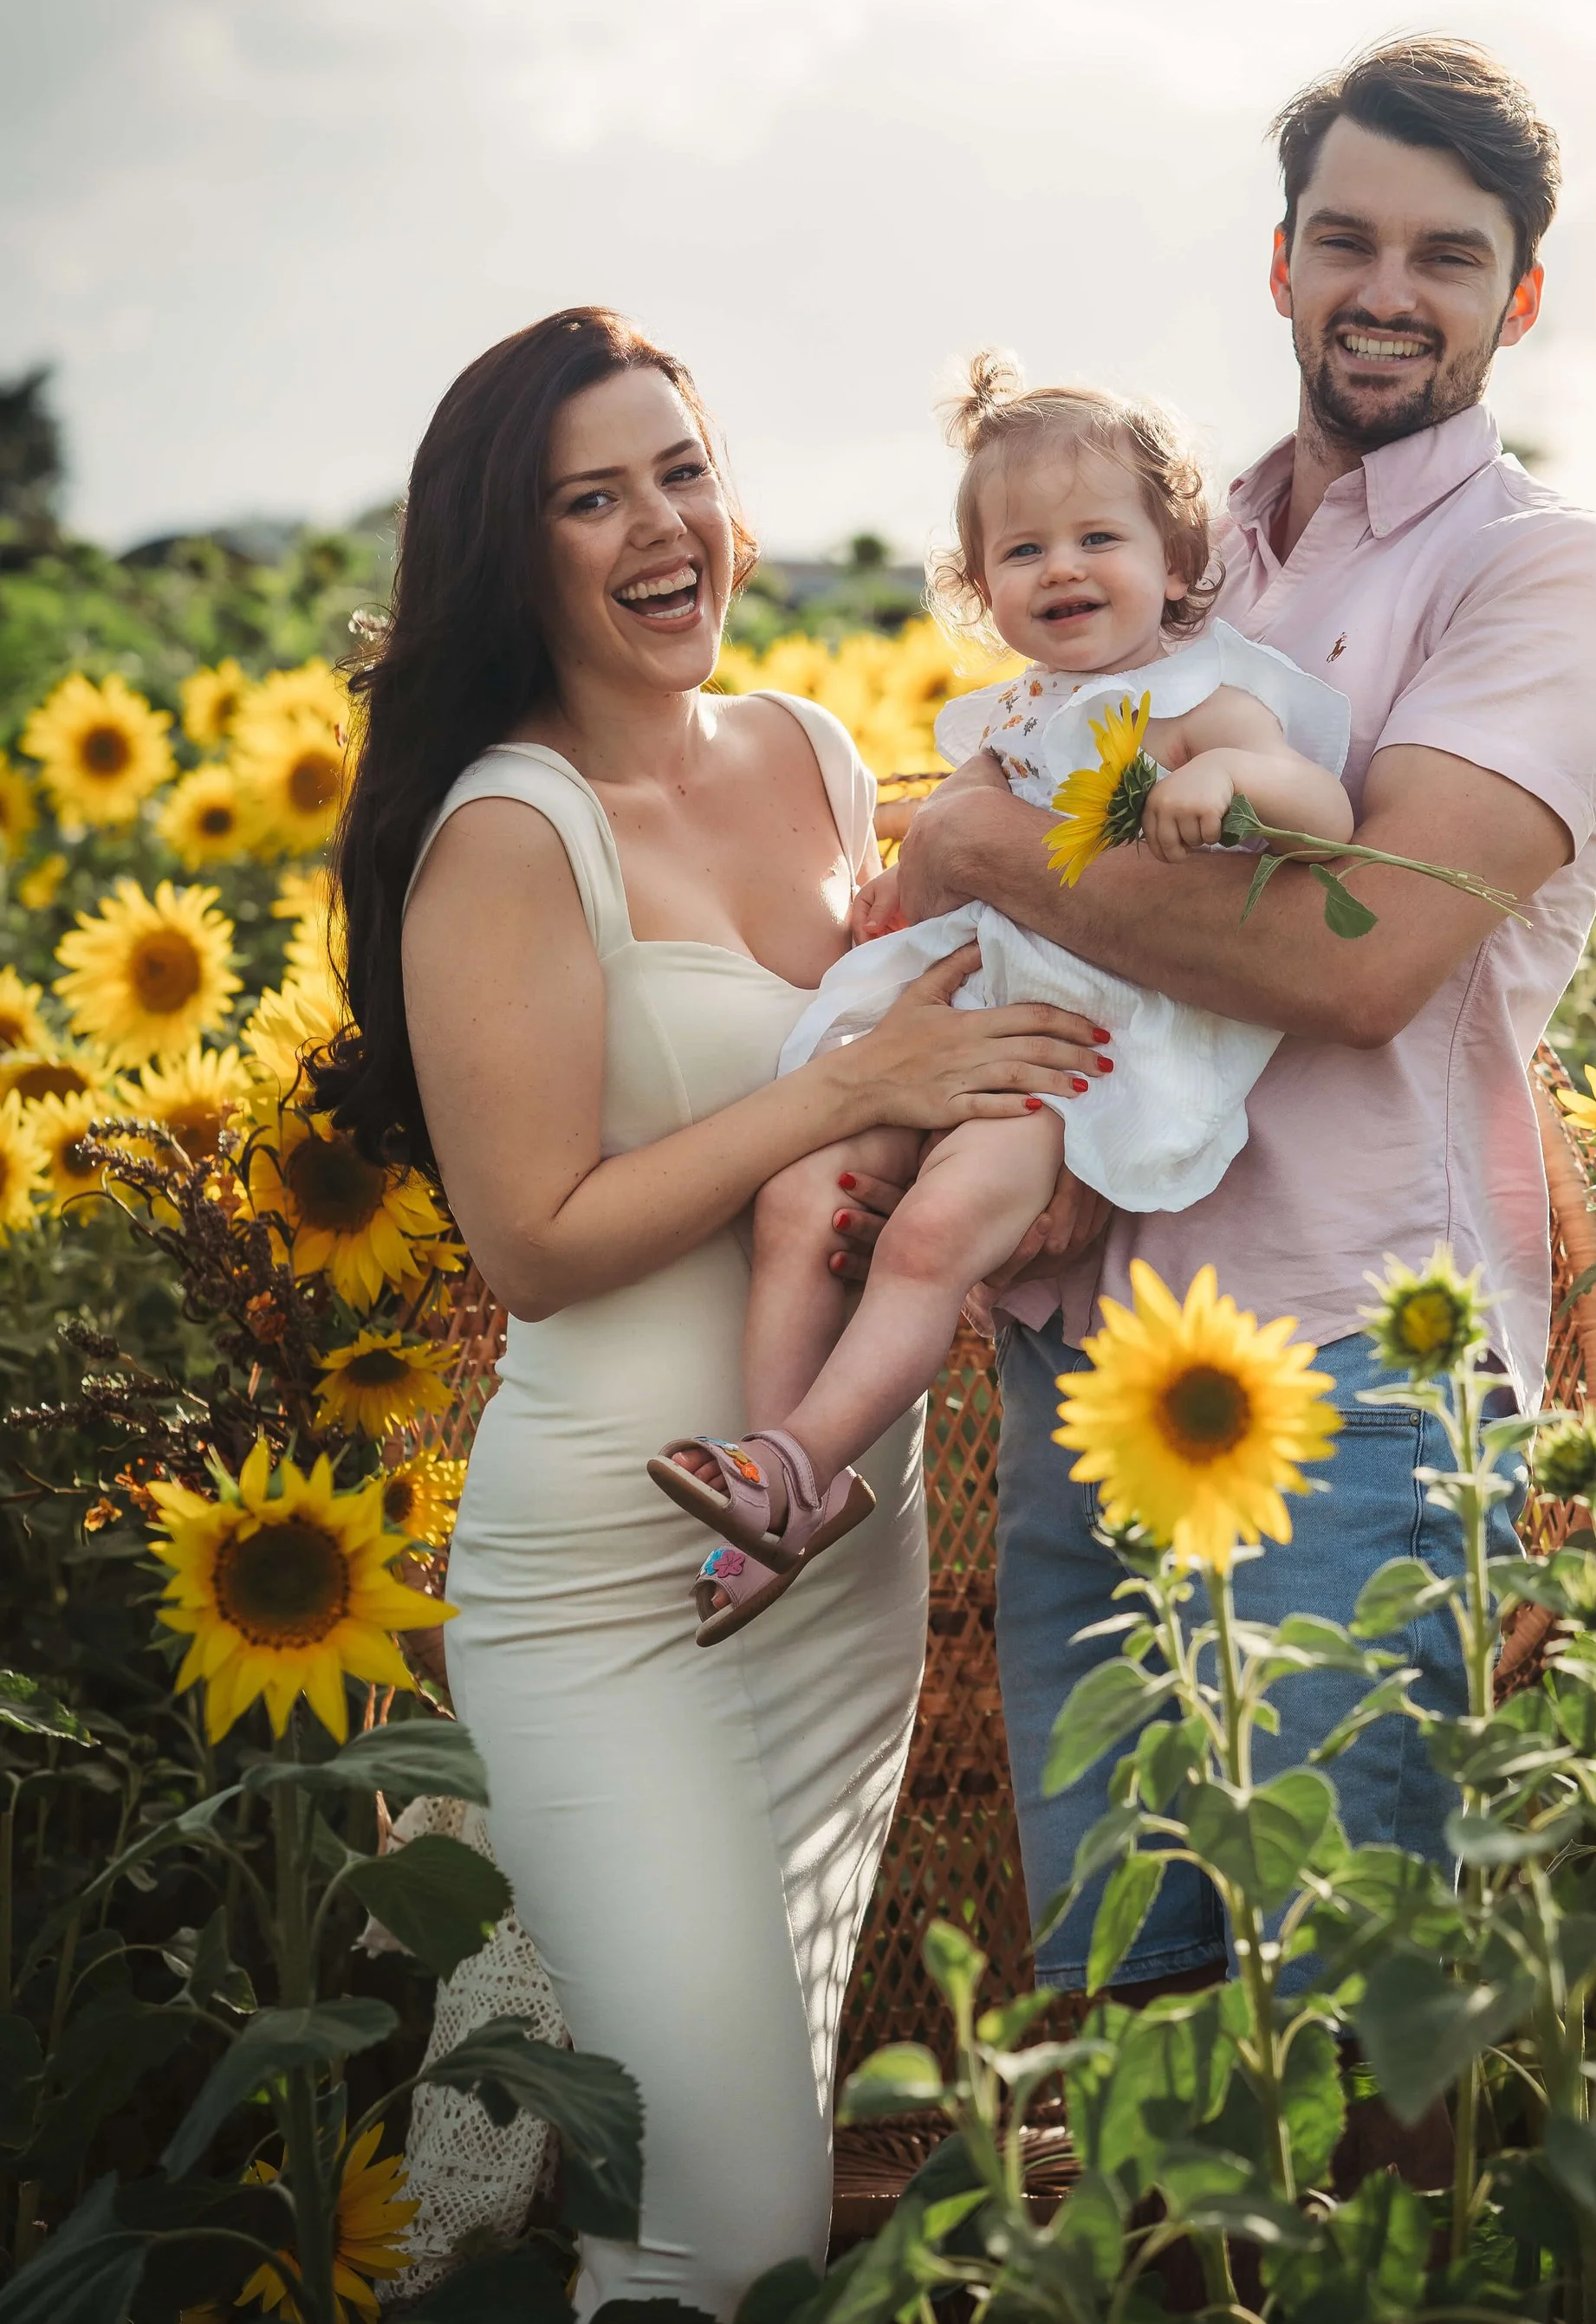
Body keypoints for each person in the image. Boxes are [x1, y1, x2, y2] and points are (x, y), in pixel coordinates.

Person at [318, 307, 1106, 2317]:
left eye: (683, 468)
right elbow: (537, 1238)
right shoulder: (510, 828)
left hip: (826, 1554)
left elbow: (896, 1100)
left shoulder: (808, 752)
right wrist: (843, 1090)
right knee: (725, 2208)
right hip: (613, 1580)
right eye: (594, 495)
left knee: (688, 2192)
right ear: (514, 551)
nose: (663, 525)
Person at [892, 36, 1596, 1991]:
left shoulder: (1547, 579)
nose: (1385, 290)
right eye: (1345, 239)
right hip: (1086, 1350)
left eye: (1444, 252)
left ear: (1517, 294)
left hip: (1350, 1364)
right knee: (1121, 2004)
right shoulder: (1168, 551)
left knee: (1337, 1996)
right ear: (1278, 265)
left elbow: (1357, 958)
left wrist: (985, 847)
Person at [646, 356, 1353, 1635]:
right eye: (1023, 551)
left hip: (1073, 1051)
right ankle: (769, 1477)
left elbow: (1327, 807)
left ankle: (807, 1462)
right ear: (982, 590)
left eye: (1099, 538)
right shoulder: (1020, 716)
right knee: (801, 1190)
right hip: (955, 1013)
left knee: (929, 1236)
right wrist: (902, 885)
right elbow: (953, 851)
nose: (1063, 569)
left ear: (1178, 555)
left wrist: (1230, 788)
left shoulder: (1205, 699)